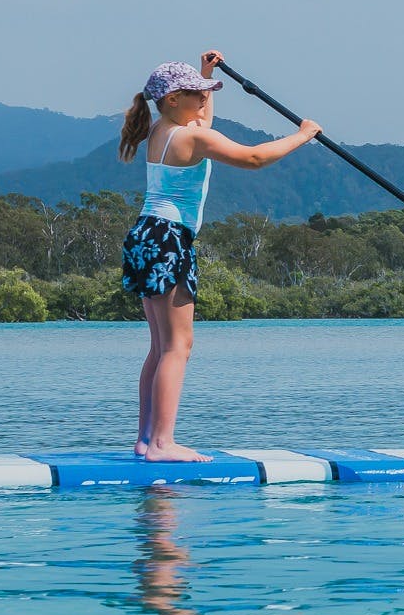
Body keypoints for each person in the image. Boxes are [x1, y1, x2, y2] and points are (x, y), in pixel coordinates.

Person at [118, 52, 322, 461]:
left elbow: (203, 123)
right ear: (174, 99)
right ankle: (162, 443)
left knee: (161, 347)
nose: (204, 99)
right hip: (170, 238)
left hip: (146, 234)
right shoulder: (190, 137)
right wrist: (303, 135)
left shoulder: (161, 129)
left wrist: (205, 75)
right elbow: (254, 158)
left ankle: (146, 439)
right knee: (178, 346)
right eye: (198, 93)